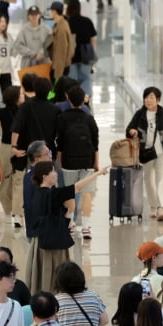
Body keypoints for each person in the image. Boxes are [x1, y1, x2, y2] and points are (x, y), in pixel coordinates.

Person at [25, 160, 109, 292]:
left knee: (42, 278)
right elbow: (78, 187)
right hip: (52, 245)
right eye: (52, 171)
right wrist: (98, 173)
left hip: (40, 242)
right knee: (54, 277)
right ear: (44, 176)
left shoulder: (38, 194)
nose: (56, 174)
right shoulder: (53, 194)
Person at [55, 85, 101, 235]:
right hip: (87, 160)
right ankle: (86, 227)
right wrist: (96, 163)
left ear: (68, 98)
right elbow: (95, 143)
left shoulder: (62, 118)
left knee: (70, 192)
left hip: (69, 160)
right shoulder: (89, 118)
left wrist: (61, 162)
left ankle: (71, 223)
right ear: (83, 100)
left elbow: (60, 143)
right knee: (87, 192)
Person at [125, 87, 163, 222]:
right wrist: (132, 131)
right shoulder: (140, 114)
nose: (148, 100)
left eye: (152, 97)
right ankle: (153, 206)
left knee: (162, 178)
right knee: (148, 179)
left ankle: (162, 207)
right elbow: (129, 129)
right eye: (146, 97)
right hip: (145, 153)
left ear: (158, 99)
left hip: (162, 151)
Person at [0, 85, 25, 225]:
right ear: (16, 97)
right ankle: (16, 210)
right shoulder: (24, 111)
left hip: (5, 147)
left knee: (7, 178)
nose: (23, 96)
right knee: (17, 179)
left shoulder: (0, 112)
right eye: (21, 94)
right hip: (20, 147)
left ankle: (10, 210)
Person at [65, 0, 97, 97]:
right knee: (86, 79)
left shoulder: (66, 23)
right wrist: (92, 55)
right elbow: (93, 40)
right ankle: (85, 100)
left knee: (72, 82)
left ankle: (74, 101)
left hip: (71, 58)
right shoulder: (87, 21)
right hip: (85, 56)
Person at [47, 2, 75, 80]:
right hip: (58, 66)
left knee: (54, 91)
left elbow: (61, 52)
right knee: (54, 90)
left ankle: (53, 93)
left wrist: (58, 74)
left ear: (55, 12)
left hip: (60, 68)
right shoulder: (60, 25)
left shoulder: (61, 29)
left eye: (51, 11)